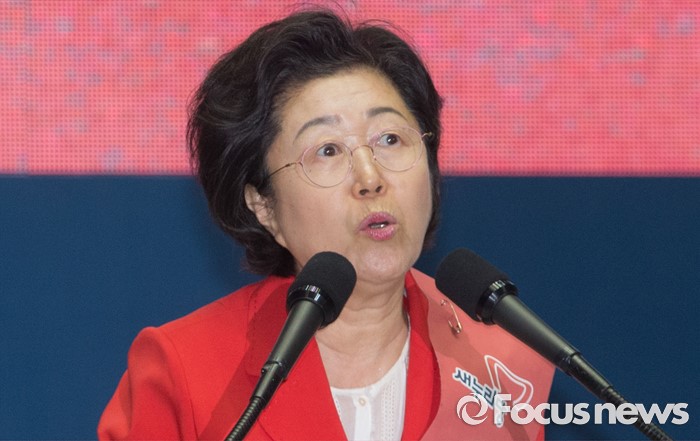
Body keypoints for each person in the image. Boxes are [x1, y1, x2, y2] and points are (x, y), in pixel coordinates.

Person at [98, 8, 554, 440]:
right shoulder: (184, 369)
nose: (370, 178)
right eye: (328, 150)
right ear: (264, 205)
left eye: (390, 139)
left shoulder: (501, 362)